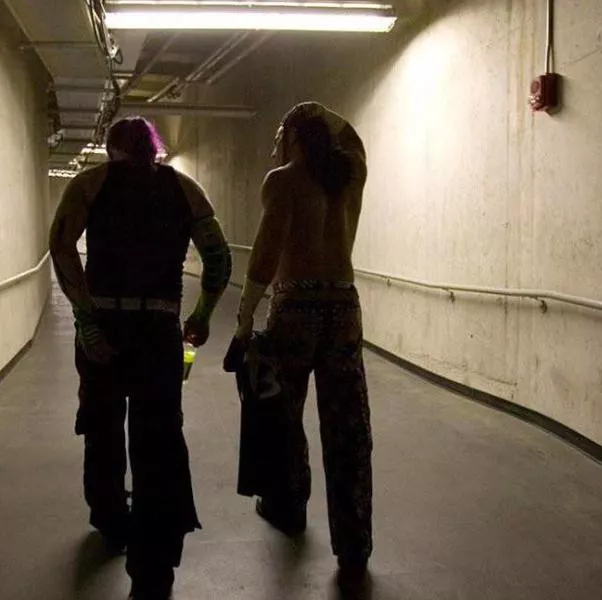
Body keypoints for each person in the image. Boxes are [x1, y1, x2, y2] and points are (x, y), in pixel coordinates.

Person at [49, 116, 231, 600]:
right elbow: (219, 259)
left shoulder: (92, 183)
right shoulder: (185, 190)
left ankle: (110, 518)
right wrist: (203, 313)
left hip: (104, 327)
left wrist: (85, 319)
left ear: (111, 147)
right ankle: (153, 567)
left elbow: (60, 245)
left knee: (103, 425)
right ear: (153, 148)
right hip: (158, 330)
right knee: (158, 440)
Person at [230, 101, 372, 591]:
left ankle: (288, 507)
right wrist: (314, 112)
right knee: (347, 426)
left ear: (293, 137)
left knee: (285, 415)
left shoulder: (285, 181)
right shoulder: (350, 174)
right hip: (343, 308)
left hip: (296, 309)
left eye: (278, 134)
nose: (273, 145)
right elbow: (351, 134)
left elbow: (266, 254)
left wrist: (244, 317)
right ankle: (354, 540)